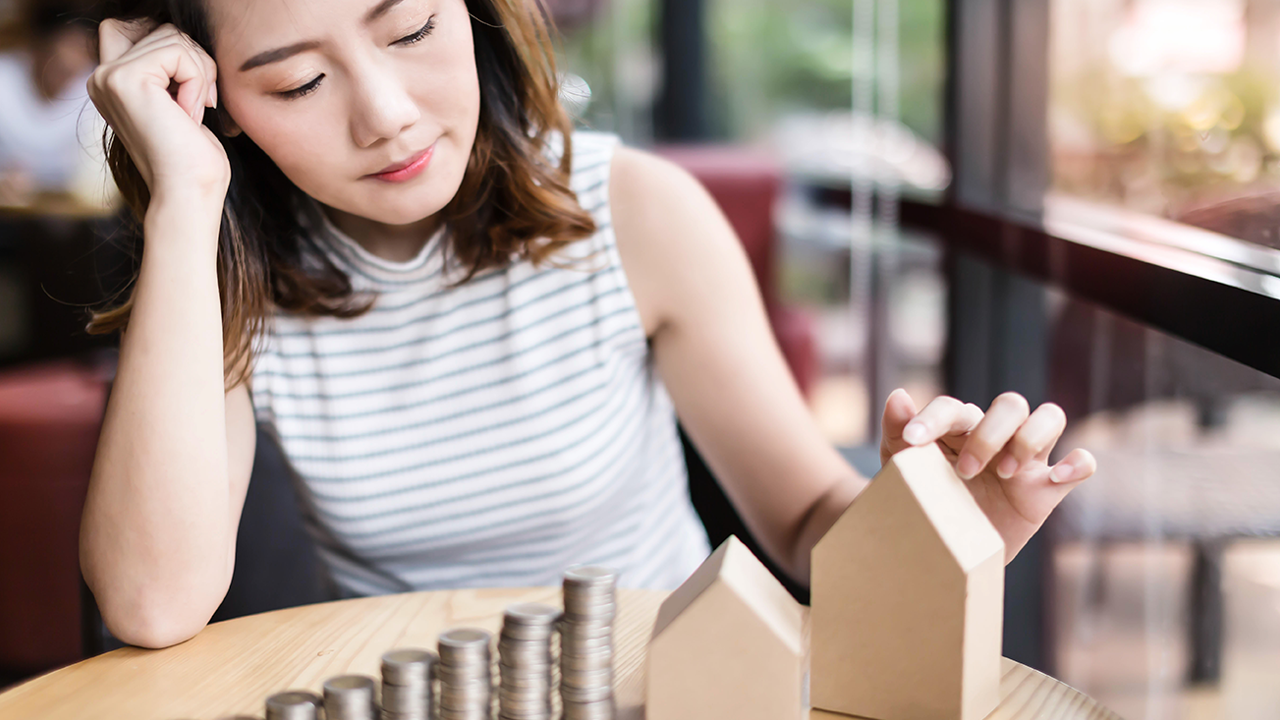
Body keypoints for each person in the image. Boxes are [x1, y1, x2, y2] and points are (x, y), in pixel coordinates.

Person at [79, 0, 1098, 649]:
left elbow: (801, 522)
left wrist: (943, 526)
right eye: (299, 81)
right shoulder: (217, 279)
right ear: (212, 103)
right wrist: (180, 199)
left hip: (675, 689)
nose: (384, 111)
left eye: (409, 31)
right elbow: (152, 604)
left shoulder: (634, 210)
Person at [0, 0, 100, 204]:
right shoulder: (5, 79)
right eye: (69, 47)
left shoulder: (91, 90)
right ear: (39, 46)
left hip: (68, 216)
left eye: (83, 52)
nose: (74, 62)